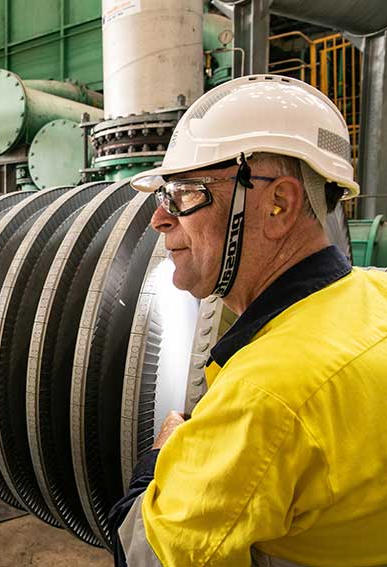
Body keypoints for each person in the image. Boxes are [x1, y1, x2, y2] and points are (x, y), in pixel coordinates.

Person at [107, 74, 387, 566]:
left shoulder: (265, 398)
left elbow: (142, 554)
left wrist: (159, 460)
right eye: (163, 195)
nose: (159, 219)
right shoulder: (377, 292)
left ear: (279, 204)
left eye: (186, 193)